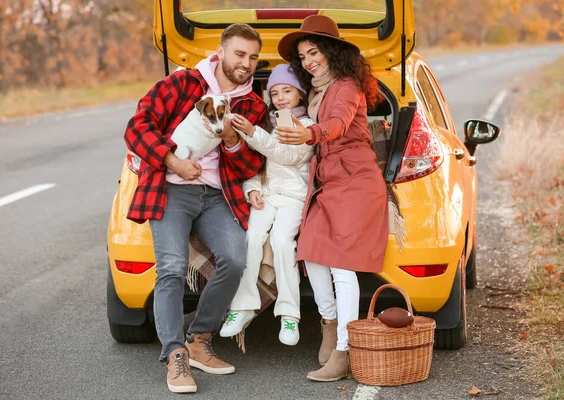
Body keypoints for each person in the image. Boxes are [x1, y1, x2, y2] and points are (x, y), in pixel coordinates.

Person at [123, 23, 267, 394]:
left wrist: (234, 141)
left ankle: (199, 339)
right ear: (221, 52)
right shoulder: (183, 84)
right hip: (170, 190)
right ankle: (175, 356)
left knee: (236, 259)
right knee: (170, 269)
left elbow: (251, 167)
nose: (246, 63)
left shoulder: (252, 105)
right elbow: (136, 127)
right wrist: (171, 161)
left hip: (217, 196)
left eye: (252, 57)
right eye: (239, 54)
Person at [275, 15, 389, 381]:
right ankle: (330, 321)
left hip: (354, 180)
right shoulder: (315, 89)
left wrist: (309, 133)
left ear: (332, 52)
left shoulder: (347, 86)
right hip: (327, 180)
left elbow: (338, 124)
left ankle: (345, 350)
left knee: (341, 264)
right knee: (309, 251)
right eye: (304, 56)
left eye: (315, 52)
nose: (309, 61)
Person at [218, 64, 315, 346]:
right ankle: (242, 307)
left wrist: (251, 133)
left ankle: (289, 314)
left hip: (294, 197)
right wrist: (252, 190)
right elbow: (259, 167)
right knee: (250, 238)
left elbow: (285, 156)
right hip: (269, 195)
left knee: (282, 242)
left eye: (287, 90)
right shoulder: (270, 124)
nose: (281, 97)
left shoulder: (306, 126)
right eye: (275, 92)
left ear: (300, 93)